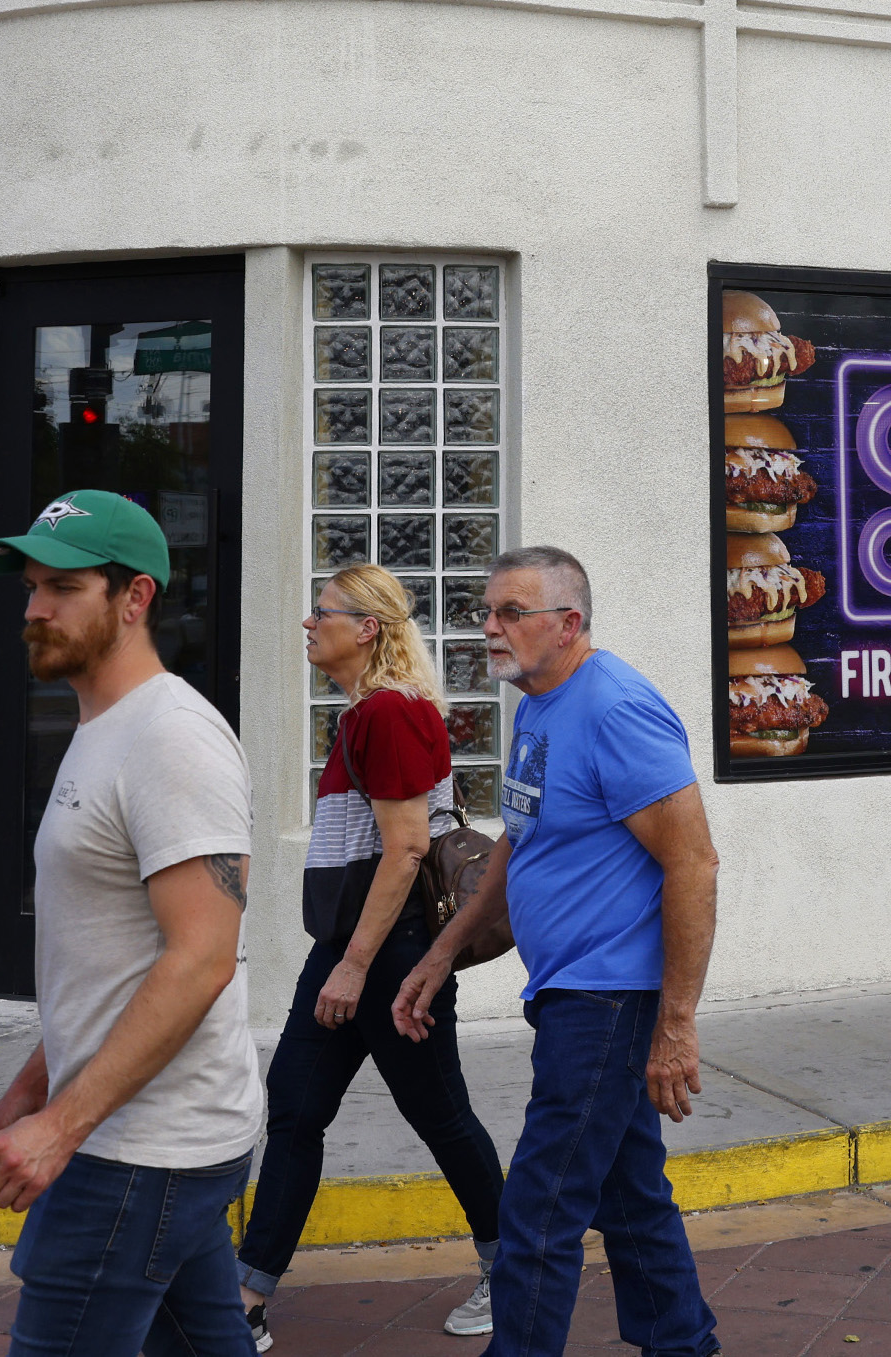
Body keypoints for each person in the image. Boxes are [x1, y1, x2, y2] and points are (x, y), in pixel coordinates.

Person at [394, 546, 723, 1357]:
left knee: (541, 1204)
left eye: (512, 612)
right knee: (629, 1191)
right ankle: (684, 1343)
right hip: (569, 988)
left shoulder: (616, 708)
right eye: (487, 610)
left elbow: (694, 862)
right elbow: (522, 837)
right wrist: (444, 949)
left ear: (568, 623)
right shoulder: (537, 704)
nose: (490, 628)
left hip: (609, 996)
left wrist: (675, 1024)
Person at [0, 489, 262, 1357]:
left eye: (63, 587)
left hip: (140, 1148)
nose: (34, 608)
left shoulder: (172, 739)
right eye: (31, 586)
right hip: (152, 1132)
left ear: (135, 599)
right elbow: (114, 956)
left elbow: (202, 957)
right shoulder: (105, 727)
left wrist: (61, 1125)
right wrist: (38, 1077)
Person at [235, 565, 507, 1349]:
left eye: (321, 612)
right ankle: (248, 1297)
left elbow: (407, 848)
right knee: (293, 1105)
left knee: (439, 1112)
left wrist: (353, 965)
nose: (308, 623)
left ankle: (510, 1264)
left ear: (368, 628)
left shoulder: (386, 713)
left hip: (386, 955)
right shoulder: (376, 711)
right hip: (355, 948)